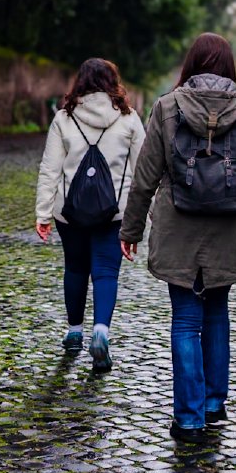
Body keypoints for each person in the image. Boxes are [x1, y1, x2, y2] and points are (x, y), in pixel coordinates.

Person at [120, 33, 236, 441]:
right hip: (230, 227)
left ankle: (189, 418)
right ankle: (214, 403)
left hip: (178, 227)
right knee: (217, 312)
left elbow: (145, 177)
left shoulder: (166, 107)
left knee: (184, 321)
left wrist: (131, 228)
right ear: (228, 66)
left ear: (191, 64)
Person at [35, 58, 147, 372]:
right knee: (106, 272)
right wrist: (140, 216)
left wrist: (43, 213)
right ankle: (101, 331)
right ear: (114, 83)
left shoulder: (63, 118)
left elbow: (50, 169)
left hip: (69, 212)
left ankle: (74, 331)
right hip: (113, 213)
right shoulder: (128, 119)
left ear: (80, 83)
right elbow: (144, 171)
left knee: (75, 267)